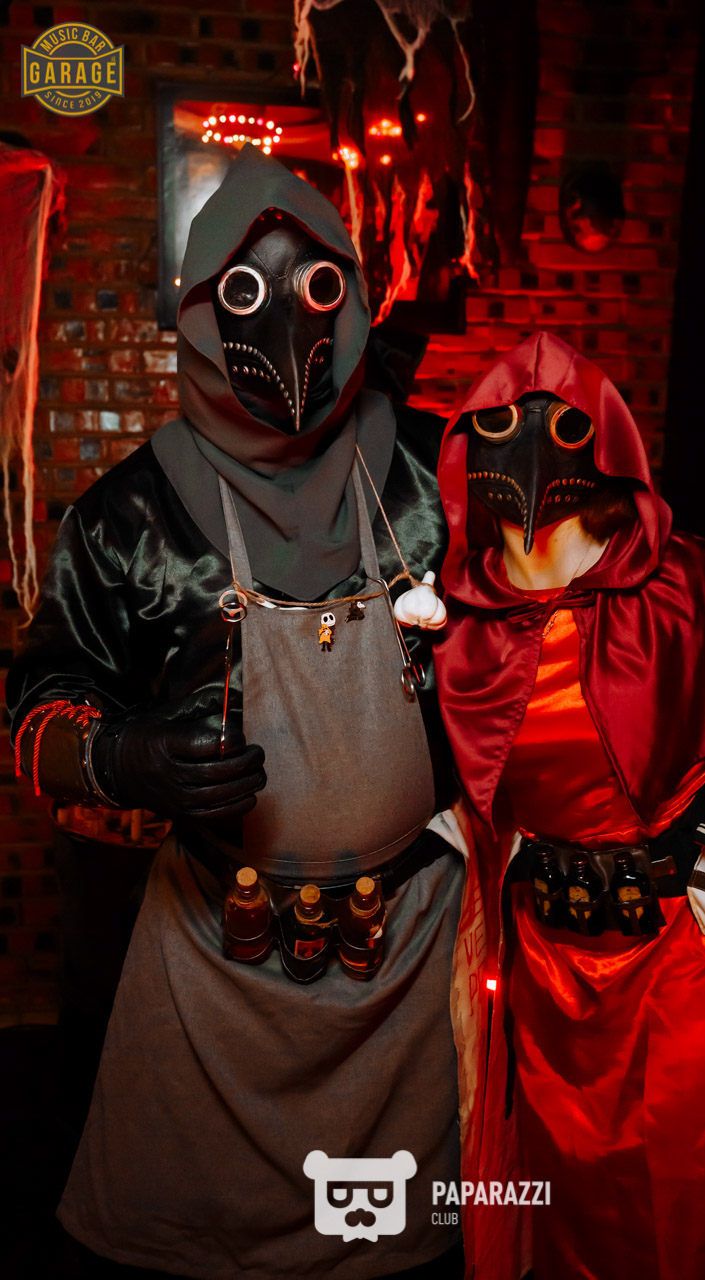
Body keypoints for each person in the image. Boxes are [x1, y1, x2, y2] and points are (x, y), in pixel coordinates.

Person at [7, 147, 468, 1280]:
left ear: (352, 300)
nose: (287, 326)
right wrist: (118, 756)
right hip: (218, 956)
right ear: (202, 313)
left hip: (413, 955)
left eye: (317, 286)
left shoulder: (437, 474)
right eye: (247, 292)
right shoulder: (128, 517)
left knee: (410, 1246)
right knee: (191, 1245)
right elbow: (37, 708)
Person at [433, 331, 705, 1280]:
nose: (529, 452)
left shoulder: (683, 586)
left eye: (560, 426)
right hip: (551, 972)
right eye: (499, 426)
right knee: (577, 1202)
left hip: (688, 957)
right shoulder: (453, 621)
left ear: (603, 444)